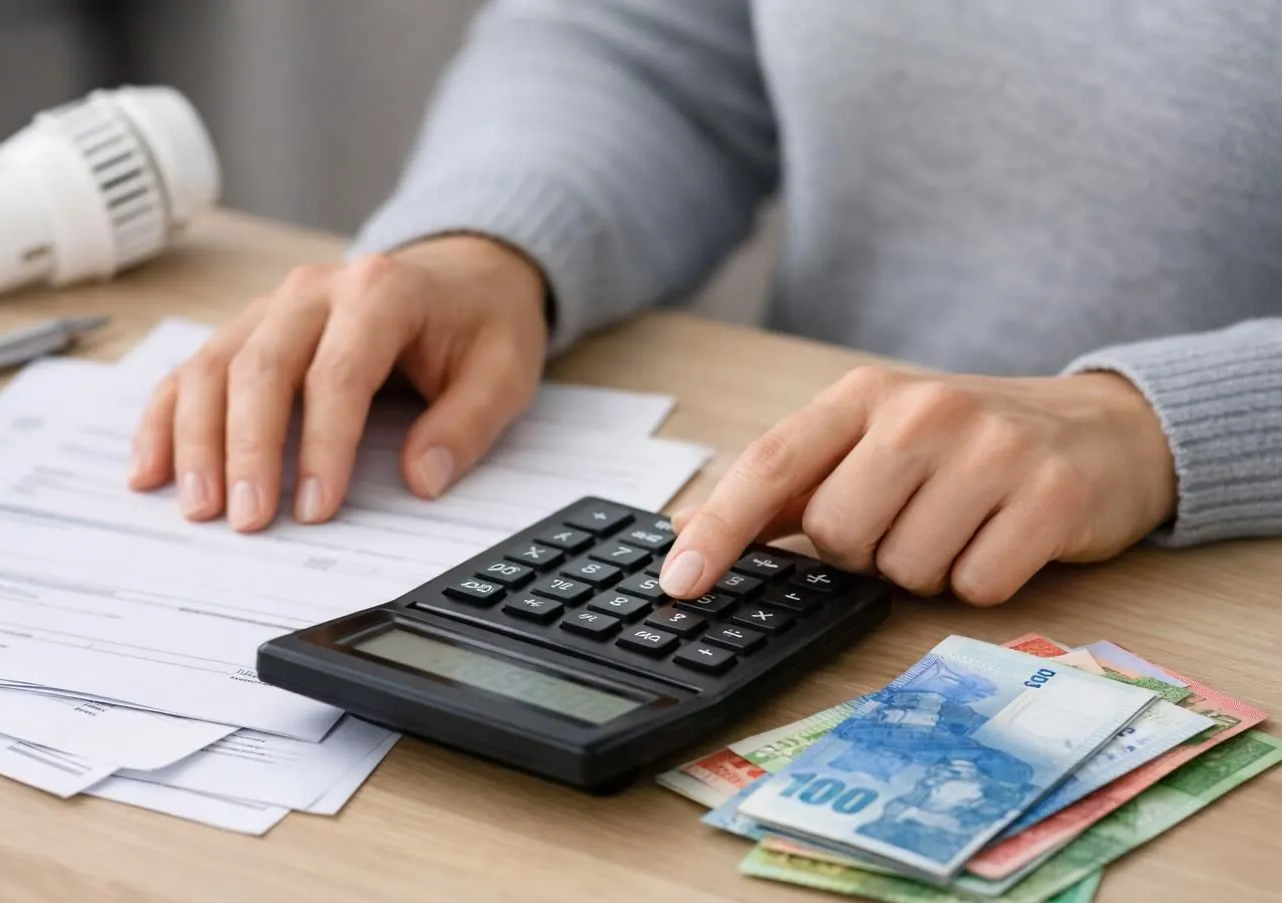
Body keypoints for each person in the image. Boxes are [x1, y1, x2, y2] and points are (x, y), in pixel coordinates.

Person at [129, 0, 1282, 607]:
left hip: (1205, 596)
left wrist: (1161, 425)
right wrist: (492, 244)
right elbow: (645, 45)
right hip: (818, 534)